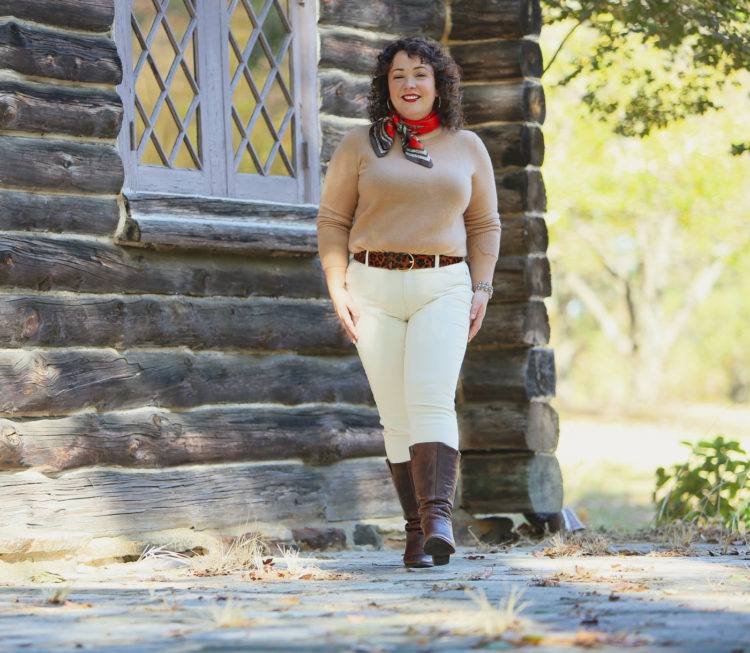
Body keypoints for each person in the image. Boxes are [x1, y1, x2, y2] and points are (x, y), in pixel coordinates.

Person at [316, 37, 500, 567]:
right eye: (398, 76)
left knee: (431, 397)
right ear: (385, 86)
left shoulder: (466, 146)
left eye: (420, 74)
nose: (409, 85)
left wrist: (481, 287)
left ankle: (439, 517)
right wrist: (336, 283)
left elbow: (484, 224)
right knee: (395, 415)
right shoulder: (359, 145)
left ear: (439, 84)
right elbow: (332, 221)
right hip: (370, 284)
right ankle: (417, 533)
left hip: (443, 284)